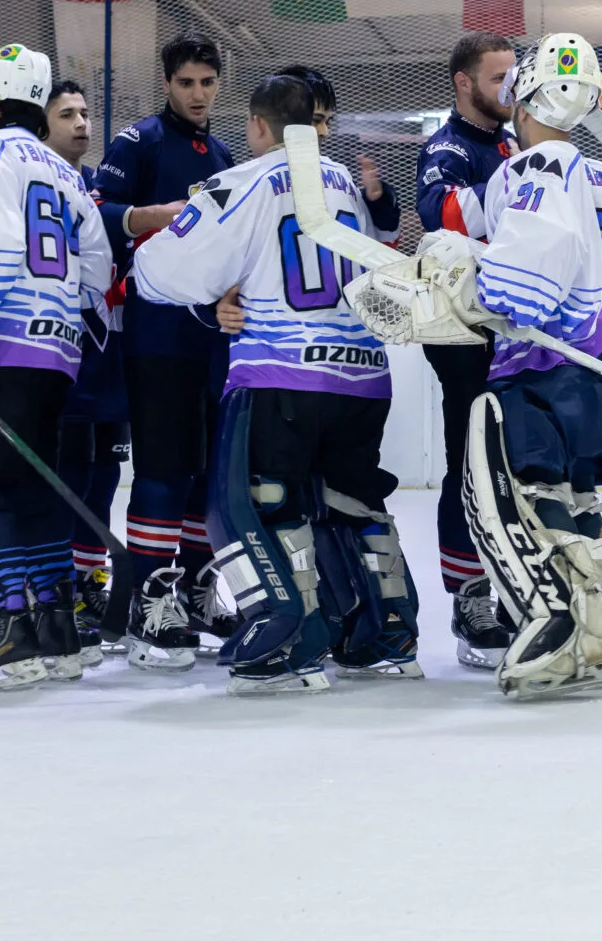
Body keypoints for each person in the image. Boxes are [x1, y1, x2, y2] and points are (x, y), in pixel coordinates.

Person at [348, 32, 602, 698]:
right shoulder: (588, 170)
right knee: (574, 496)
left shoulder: (530, 167)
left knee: (520, 498)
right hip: (597, 362)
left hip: (540, 364)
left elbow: (522, 285)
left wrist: (465, 269)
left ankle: (558, 625)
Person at [131, 74, 412, 693]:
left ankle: (288, 641)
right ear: (315, 125)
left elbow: (160, 271)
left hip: (283, 374)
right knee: (353, 503)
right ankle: (386, 635)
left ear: (259, 126)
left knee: (253, 508)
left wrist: (214, 294)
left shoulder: (246, 180)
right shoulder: (345, 183)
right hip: (363, 375)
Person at [0, 44, 112, 691]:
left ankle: (10, 626)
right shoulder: (66, 173)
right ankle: (56, 624)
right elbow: (98, 270)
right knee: (32, 485)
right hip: (58, 351)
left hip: (1, 342)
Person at [94, 33, 235, 670]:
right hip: (154, 336)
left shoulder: (228, 152)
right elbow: (95, 214)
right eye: (186, 84)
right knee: (161, 471)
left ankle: (198, 592)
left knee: (206, 476)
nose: (198, 94)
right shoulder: (137, 141)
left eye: (207, 83)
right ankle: (150, 600)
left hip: (214, 339)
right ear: (166, 82)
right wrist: (160, 216)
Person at [413, 32, 519, 670]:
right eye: (498, 77)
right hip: (463, 335)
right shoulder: (447, 147)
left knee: (509, 468)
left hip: (513, 330)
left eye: (514, 77)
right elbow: (441, 213)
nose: (510, 88)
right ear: (463, 82)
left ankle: (513, 584)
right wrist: (526, 183)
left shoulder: (512, 141)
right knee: (468, 464)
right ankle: (470, 595)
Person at [46, 80, 129, 668]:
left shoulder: (91, 183)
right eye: (66, 114)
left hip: (107, 353)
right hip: (59, 350)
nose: (81, 122)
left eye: (83, 112)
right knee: (66, 474)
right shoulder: (32, 178)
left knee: (103, 473)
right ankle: (53, 592)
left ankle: (85, 583)